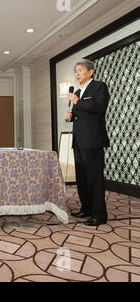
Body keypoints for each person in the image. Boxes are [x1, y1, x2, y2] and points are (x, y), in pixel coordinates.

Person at [65, 59, 110, 227]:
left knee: (94, 178)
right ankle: (86, 208)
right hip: (78, 141)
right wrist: (71, 117)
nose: (77, 74)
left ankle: (99, 215)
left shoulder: (99, 86)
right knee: (82, 178)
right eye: (75, 71)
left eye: (80, 70)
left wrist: (78, 101)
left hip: (93, 140)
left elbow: (99, 107)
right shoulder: (78, 90)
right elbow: (80, 114)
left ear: (90, 72)